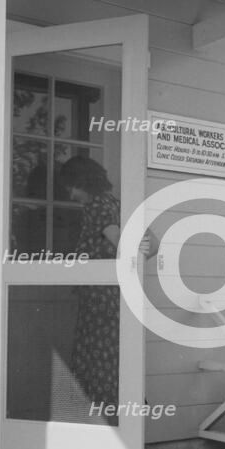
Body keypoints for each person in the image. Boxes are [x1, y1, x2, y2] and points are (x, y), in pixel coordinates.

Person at [60, 155, 157, 423]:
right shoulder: (119, 204)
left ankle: (104, 423)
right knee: (115, 359)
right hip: (116, 296)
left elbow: (120, 243)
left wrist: (125, 259)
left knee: (97, 362)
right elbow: (153, 243)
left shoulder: (96, 206)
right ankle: (121, 420)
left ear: (83, 183)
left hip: (100, 299)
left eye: (72, 187)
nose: (70, 194)